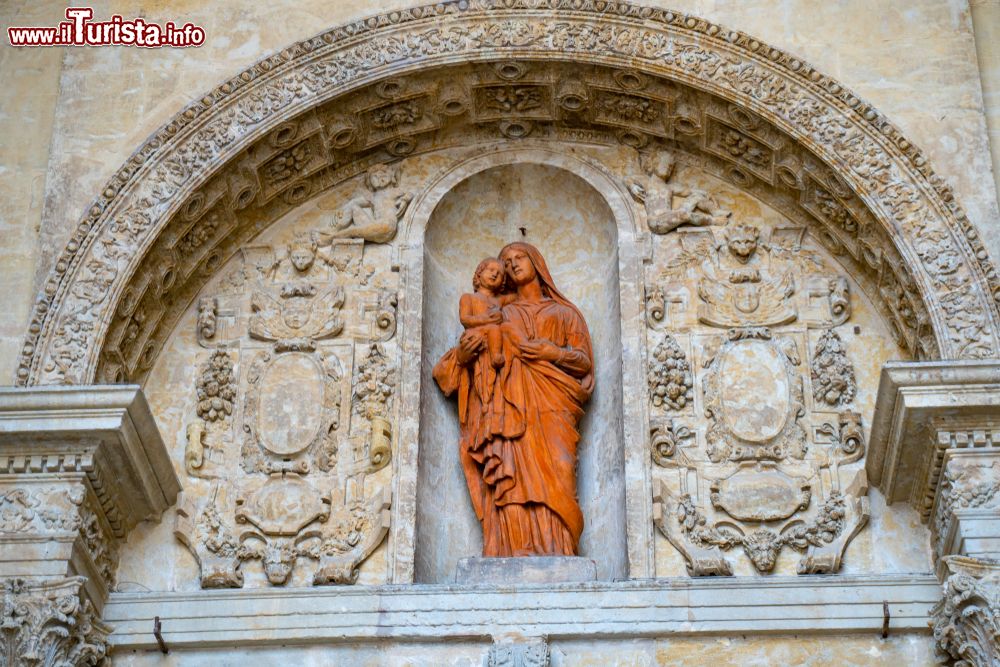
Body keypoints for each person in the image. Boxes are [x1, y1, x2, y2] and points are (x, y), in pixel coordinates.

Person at [434, 242, 593, 558]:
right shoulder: (499, 314)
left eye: (519, 258)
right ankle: (512, 549)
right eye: (505, 262)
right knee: (510, 476)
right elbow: (455, 363)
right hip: (507, 407)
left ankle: (559, 550)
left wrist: (552, 352)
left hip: (553, 405)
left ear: (536, 262)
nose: (512, 264)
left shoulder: (565, 313)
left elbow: (584, 363)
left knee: (560, 467)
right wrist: (464, 356)